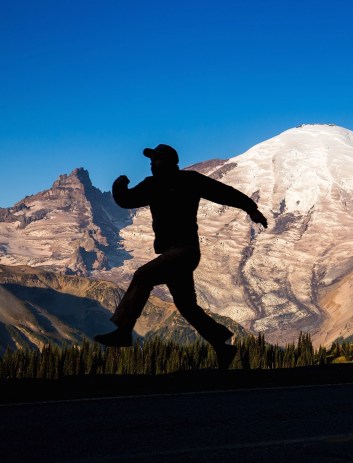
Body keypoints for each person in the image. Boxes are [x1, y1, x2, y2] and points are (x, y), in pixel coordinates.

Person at [94, 144, 268, 370]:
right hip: (174, 253)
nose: (151, 163)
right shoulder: (154, 184)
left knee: (143, 275)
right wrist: (119, 187)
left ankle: (124, 331)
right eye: (151, 160)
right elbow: (127, 200)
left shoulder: (186, 180)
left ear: (168, 161)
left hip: (184, 251)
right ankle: (222, 346)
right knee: (186, 306)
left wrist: (251, 208)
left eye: (155, 159)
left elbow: (224, 193)